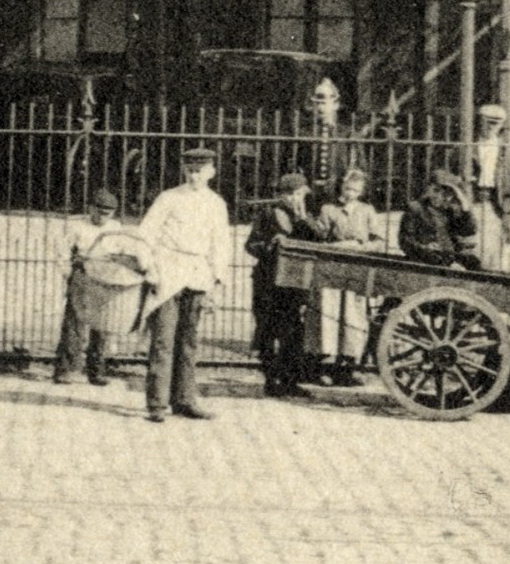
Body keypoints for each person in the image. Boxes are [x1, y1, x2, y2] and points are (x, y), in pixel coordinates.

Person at [133, 147, 236, 423]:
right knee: (163, 342)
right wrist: (150, 268)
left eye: (199, 171)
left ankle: (186, 400)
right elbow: (145, 235)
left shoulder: (216, 203)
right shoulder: (168, 198)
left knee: (189, 343)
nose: (194, 176)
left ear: (211, 172)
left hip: (198, 275)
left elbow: (221, 245)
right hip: (168, 275)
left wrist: (216, 280)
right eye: (190, 170)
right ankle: (157, 403)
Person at [51, 188, 141, 385]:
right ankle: (66, 369)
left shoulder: (116, 227)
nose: (102, 217)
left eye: (107, 214)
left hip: (106, 276)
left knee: (103, 323)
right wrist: (69, 272)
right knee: (74, 322)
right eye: (98, 212)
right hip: (83, 274)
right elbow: (62, 252)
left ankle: (96, 370)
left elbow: (125, 250)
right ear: (90, 208)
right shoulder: (76, 226)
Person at [245, 167, 321, 398]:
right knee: (268, 329)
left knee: (293, 331)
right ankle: (270, 380)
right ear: (285, 195)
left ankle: (290, 381)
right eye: (295, 194)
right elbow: (251, 244)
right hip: (268, 282)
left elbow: (319, 238)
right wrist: (271, 244)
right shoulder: (268, 213)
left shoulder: (306, 215)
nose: (298, 199)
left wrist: (303, 219)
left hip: (295, 282)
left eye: (301, 195)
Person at [310, 163, 389, 382]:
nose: (350, 194)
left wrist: (361, 248)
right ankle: (325, 364)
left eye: (355, 190)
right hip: (333, 267)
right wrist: (336, 246)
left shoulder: (367, 211)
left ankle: (349, 364)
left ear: (361, 192)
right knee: (330, 312)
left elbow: (378, 242)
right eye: (347, 189)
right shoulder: (328, 209)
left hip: (357, 268)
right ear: (341, 188)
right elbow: (319, 236)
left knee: (353, 314)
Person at [464, 104, 510, 266]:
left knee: (492, 245)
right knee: (470, 242)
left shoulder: (508, 151)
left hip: (495, 202)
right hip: (472, 200)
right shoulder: (467, 147)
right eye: (488, 122)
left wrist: (509, 204)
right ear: (480, 122)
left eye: (496, 123)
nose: (491, 127)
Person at [399, 168, 482, 268]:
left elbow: (469, 230)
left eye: (445, 193)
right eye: (435, 190)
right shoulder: (416, 208)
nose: (438, 196)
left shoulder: (449, 211)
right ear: (428, 190)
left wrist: (464, 207)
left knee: (474, 262)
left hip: (449, 257)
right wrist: (425, 248)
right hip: (428, 259)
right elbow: (405, 241)